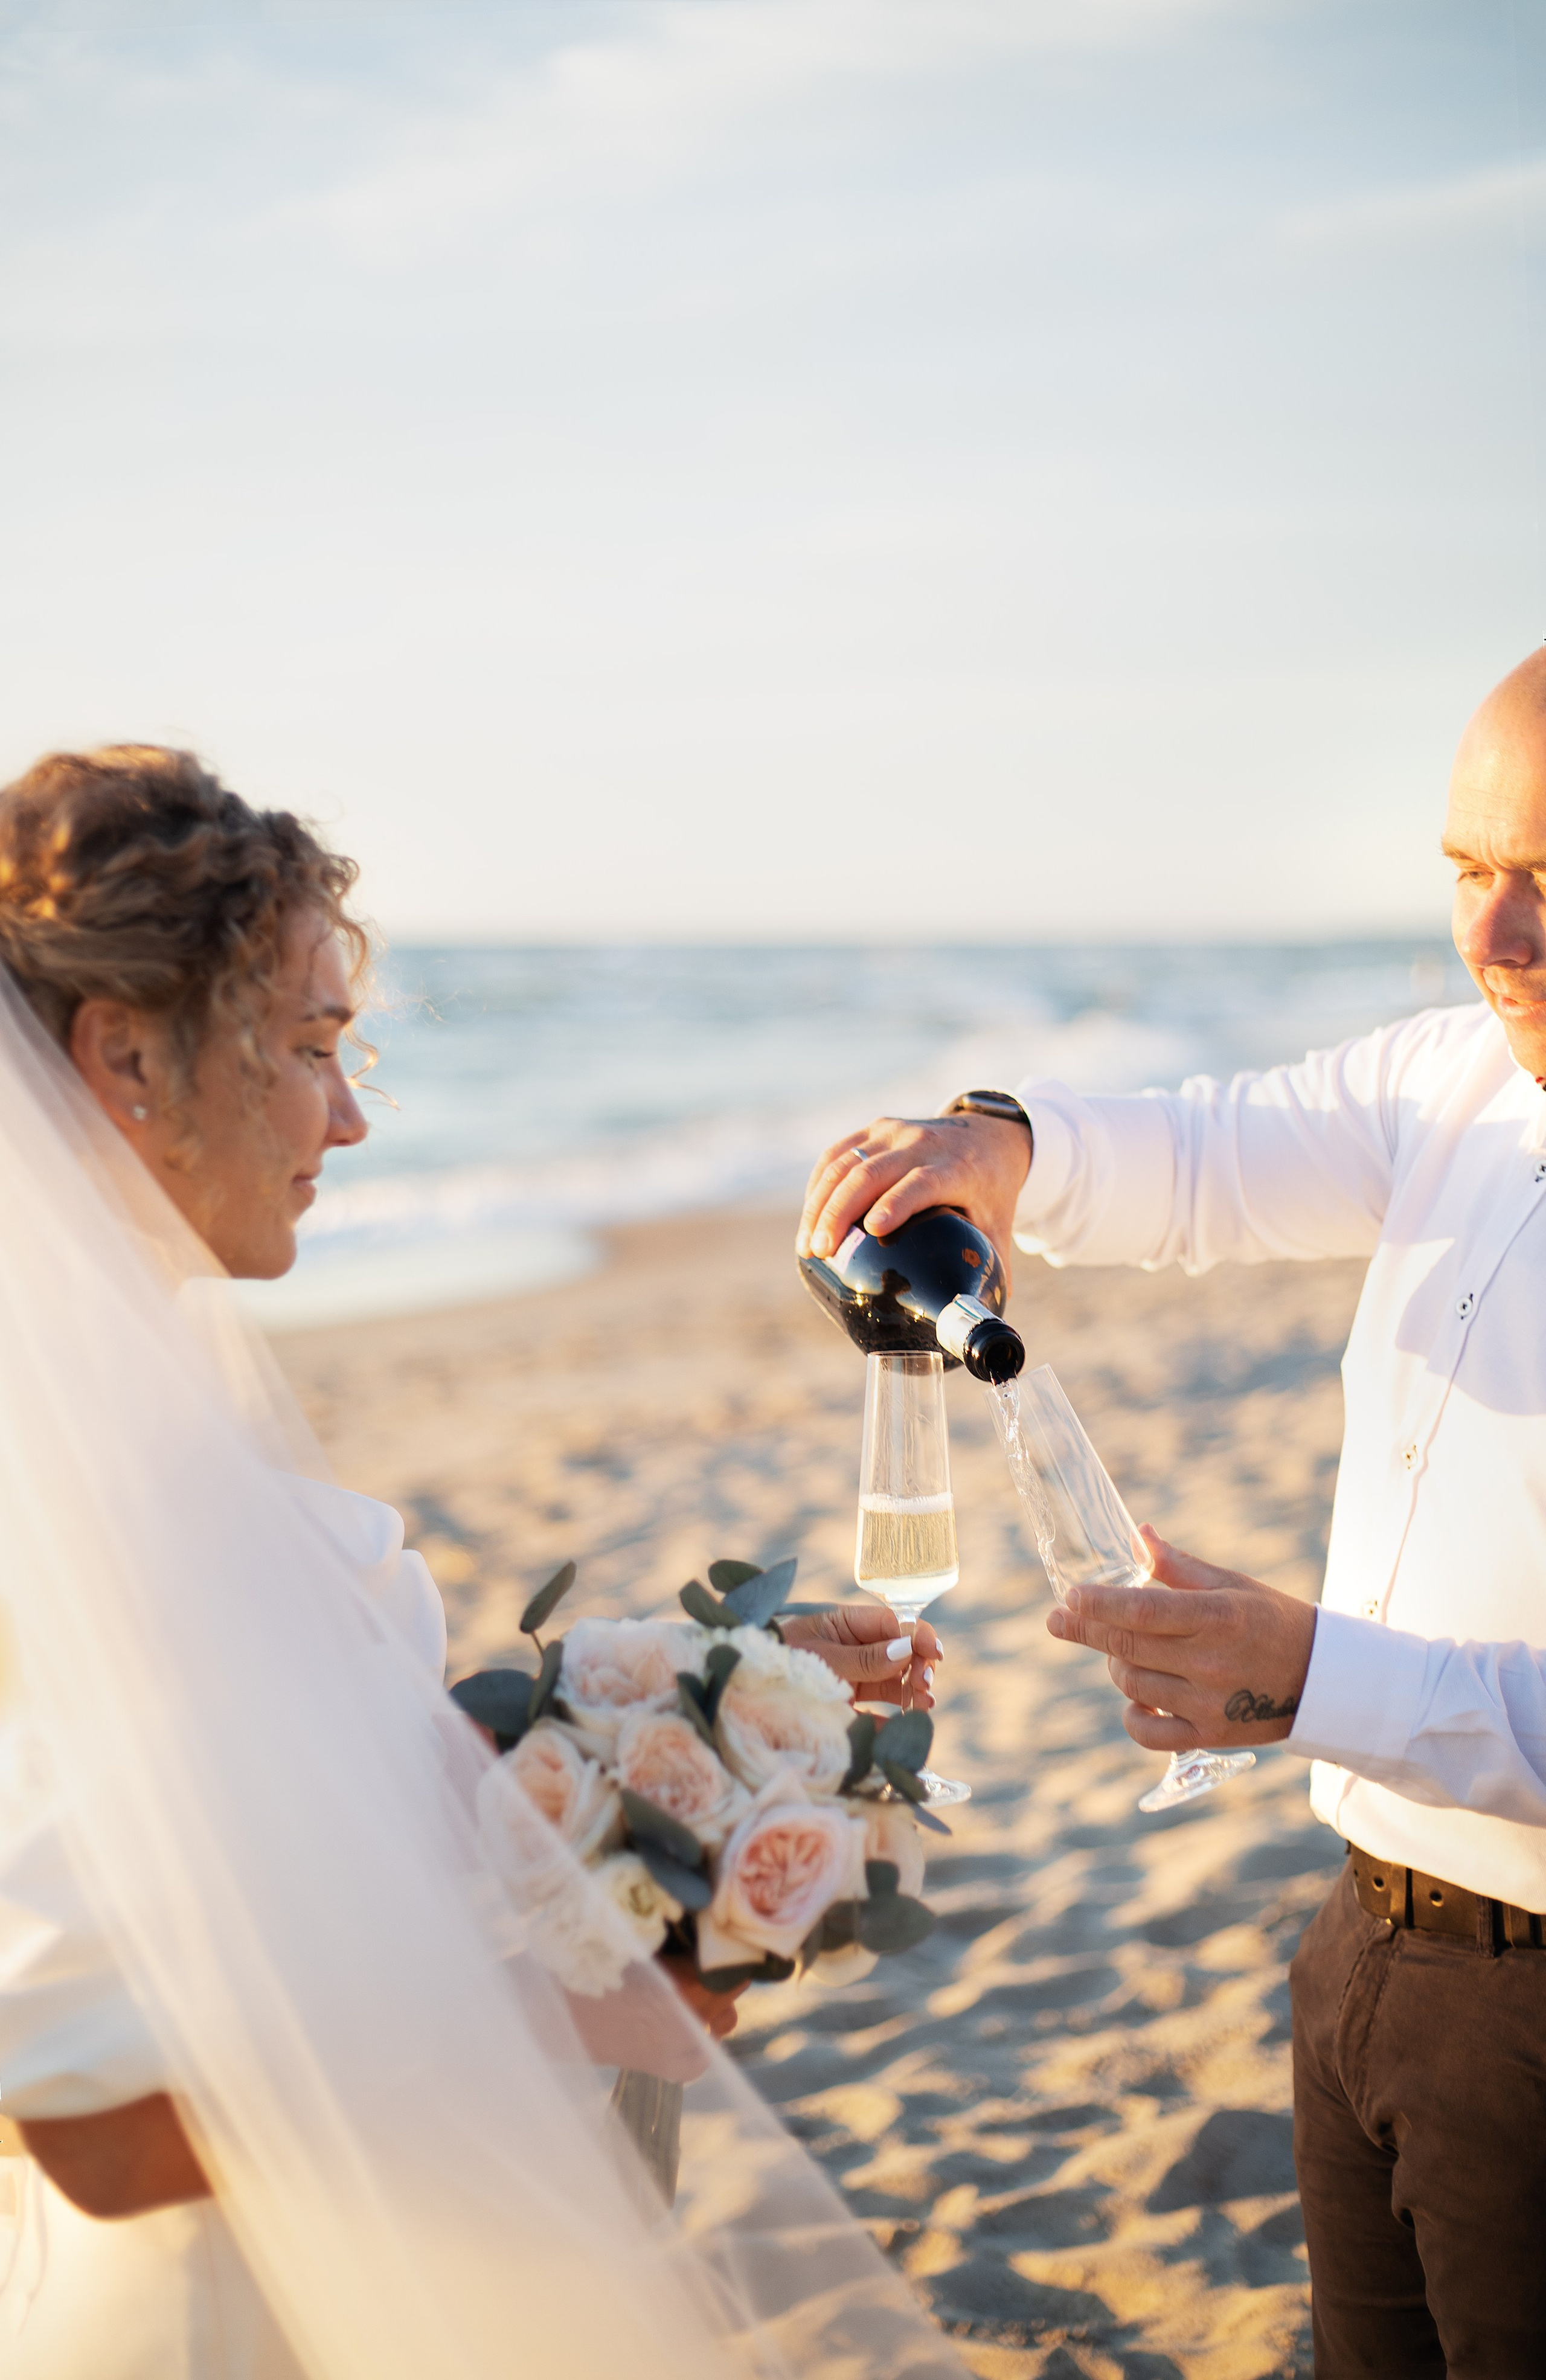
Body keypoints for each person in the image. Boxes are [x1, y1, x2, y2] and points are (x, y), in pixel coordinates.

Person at [0, 746, 962, 2380]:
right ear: (127, 1063)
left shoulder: (142, 1419)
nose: (354, 1115)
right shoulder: (48, 1492)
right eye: (309, 1049)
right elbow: (97, 2138)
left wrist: (702, 1701)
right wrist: (568, 2015)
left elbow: (276, 1824)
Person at [798, 646, 1546, 2378]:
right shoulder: (1459, 1081)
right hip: (1366, 1950)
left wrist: (1310, 1680)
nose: (1496, 940)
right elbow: (1203, 1158)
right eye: (1469, 875)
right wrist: (985, 1151)